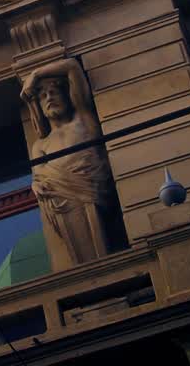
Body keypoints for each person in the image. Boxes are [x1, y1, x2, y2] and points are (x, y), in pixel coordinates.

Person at [20, 58, 114, 268]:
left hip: (93, 191)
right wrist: (36, 185)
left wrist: (35, 74)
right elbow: (40, 176)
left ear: (67, 95)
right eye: (43, 96)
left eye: (54, 92)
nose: (49, 98)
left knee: (103, 248)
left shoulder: (83, 120)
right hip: (64, 203)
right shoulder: (40, 145)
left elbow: (72, 66)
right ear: (39, 107)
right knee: (85, 259)